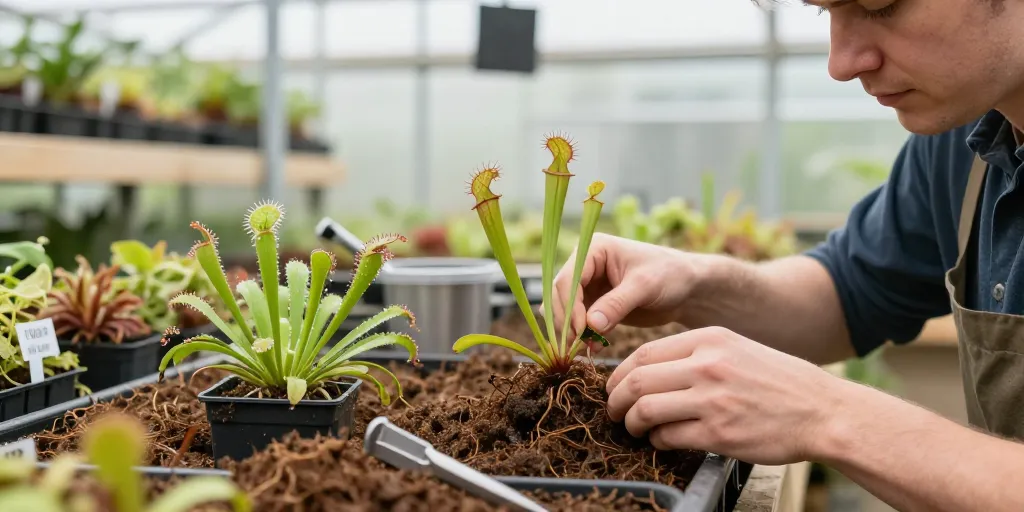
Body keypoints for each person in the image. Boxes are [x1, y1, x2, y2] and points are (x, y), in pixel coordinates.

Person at [550, 0, 1024, 510]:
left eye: (880, 6)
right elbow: (850, 292)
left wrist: (827, 414)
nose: (840, 63)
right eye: (825, 13)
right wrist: (693, 281)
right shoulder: (966, 141)